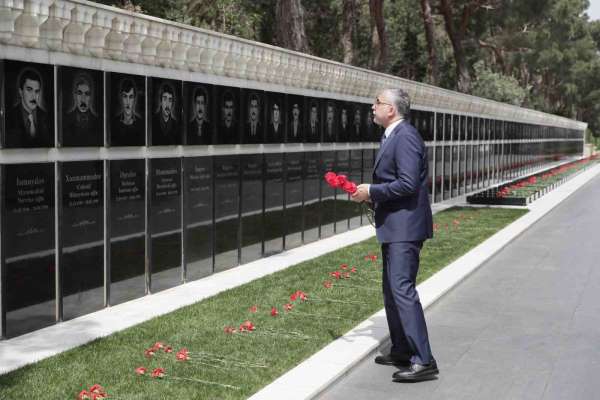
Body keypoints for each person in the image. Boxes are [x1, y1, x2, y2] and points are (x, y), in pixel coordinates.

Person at [351, 88, 437, 383]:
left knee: (401, 289)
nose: (372, 106)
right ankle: (401, 349)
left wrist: (372, 191)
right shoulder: (390, 136)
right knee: (391, 290)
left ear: (392, 109)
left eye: (377, 102)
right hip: (394, 225)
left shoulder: (406, 137)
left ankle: (424, 360)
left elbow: (408, 183)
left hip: (406, 227)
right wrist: (369, 195)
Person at [5, 67, 51, 148]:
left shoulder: (46, 116)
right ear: (20, 92)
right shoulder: (9, 116)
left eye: (37, 91)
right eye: (29, 90)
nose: (33, 96)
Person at [63, 73, 101, 146]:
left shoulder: (98, 122)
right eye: (79, 93)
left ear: (91, 97)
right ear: (75, 95)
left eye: (87, 94)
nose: (83, 99)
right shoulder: (66, 119)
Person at [111, 78, 144, 146]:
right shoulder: (114, 123)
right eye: (125, 96)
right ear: (121, 98)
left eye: (131, 97)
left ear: (134, 99)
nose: (128, 102)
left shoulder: (141, 123)